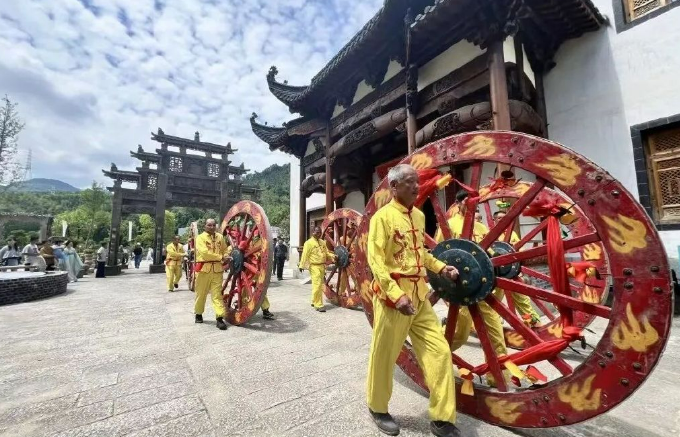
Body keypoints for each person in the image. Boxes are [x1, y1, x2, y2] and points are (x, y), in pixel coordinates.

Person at [366, 164, 461, 437]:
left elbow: (421, 254)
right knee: (384, 355)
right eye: (409, 182)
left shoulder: (418, 217)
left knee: (440, 352)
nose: (416, 187)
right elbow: (376, 261)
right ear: (393, 187)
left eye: (417, 182)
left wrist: (442, 268)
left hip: (419, 297)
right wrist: (396, 295)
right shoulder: (381, 218)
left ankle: (442, 418)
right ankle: (378, 407)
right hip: (393, 299)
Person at [491, 210, 541, 325]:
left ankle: (533, 324)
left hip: (511, 272)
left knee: (522, 300)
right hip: (495, 275)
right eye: (499, 218)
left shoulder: (512, 233)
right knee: (494, 301)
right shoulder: (490, 234)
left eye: (504, 217)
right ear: (494, 220)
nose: (502, 220)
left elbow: (519, 250)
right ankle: (494, 325)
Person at [194, 219, 230, 330]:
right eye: (209, 225)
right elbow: (204, 253)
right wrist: (221, 257)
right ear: (205, 226)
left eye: (214, 225)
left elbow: (225, 249)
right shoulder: (200, 238)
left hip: (217, 270)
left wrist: (227, 254)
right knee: (201, 294)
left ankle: (219, 318)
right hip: (204, 269)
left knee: (217, 295)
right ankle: (198, 314)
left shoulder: (220, 237)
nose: (212, 227)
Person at [299, 226, 335, 312]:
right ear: (313, 232)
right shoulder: (308, 243)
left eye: (320, 232)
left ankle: (313, 300)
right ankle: (318, 305)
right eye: (317, 232)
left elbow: (326, 253)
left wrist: (333, 256)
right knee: (318, 285)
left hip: (322, 266)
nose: (319, 234)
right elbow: (305, 255)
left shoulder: (322, 242)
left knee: (317, 285)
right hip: (314, 266)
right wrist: (301, 265)